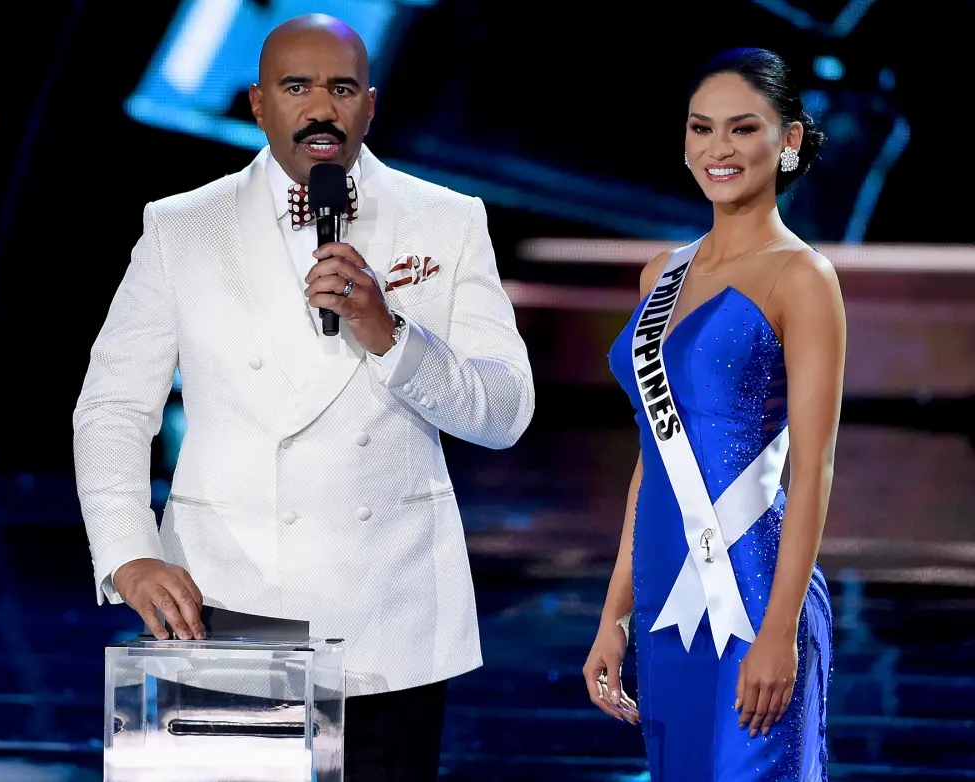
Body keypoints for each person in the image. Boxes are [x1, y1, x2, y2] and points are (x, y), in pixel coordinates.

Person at [72, 13, 534, 781]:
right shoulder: (181, 225)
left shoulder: (448, 221)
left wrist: (391, 334)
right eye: (296, 87)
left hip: (393, 618)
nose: (321, 107)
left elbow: (505, 411)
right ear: (258, 104)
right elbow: (114, 406)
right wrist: (129, 554)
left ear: (370, 105)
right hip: (224, 603)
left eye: (341, 87)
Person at [584, 48, 843, 780]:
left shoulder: (803, 276)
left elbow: (815, 464)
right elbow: (653, 458)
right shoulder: (659, 274)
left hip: (754, 592)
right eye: (702, 129)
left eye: (742, 129)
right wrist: (615, 615)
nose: (717, 149)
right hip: (666, 590)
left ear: (788, 140)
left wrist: (780, 630)